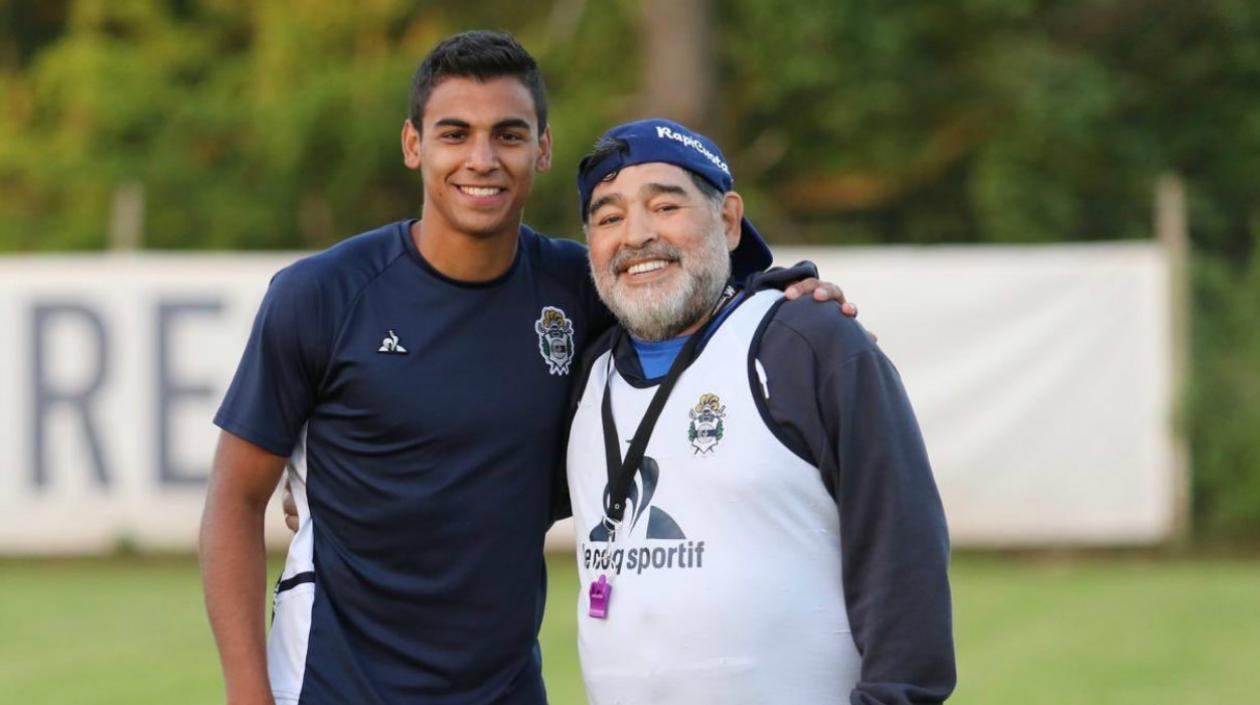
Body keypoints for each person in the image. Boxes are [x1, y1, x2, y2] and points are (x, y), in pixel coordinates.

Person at [201, 30, 850, 705]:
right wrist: (249, 693)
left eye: (508, 135)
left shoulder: (580, 286)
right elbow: (235, 497)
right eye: (454, 134)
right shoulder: (322, 294)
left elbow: (694, 304)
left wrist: (791, 295)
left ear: (541, 149)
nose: (481, 159)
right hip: (336, 683)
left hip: (506, 687)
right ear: (412, 144)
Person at [563, 118, 955, 704]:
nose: (636, 235)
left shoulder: (804, 343)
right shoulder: (581, 378)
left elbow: (904, 552)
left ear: (727, 219)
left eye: (665, 206)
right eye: (609, 217)